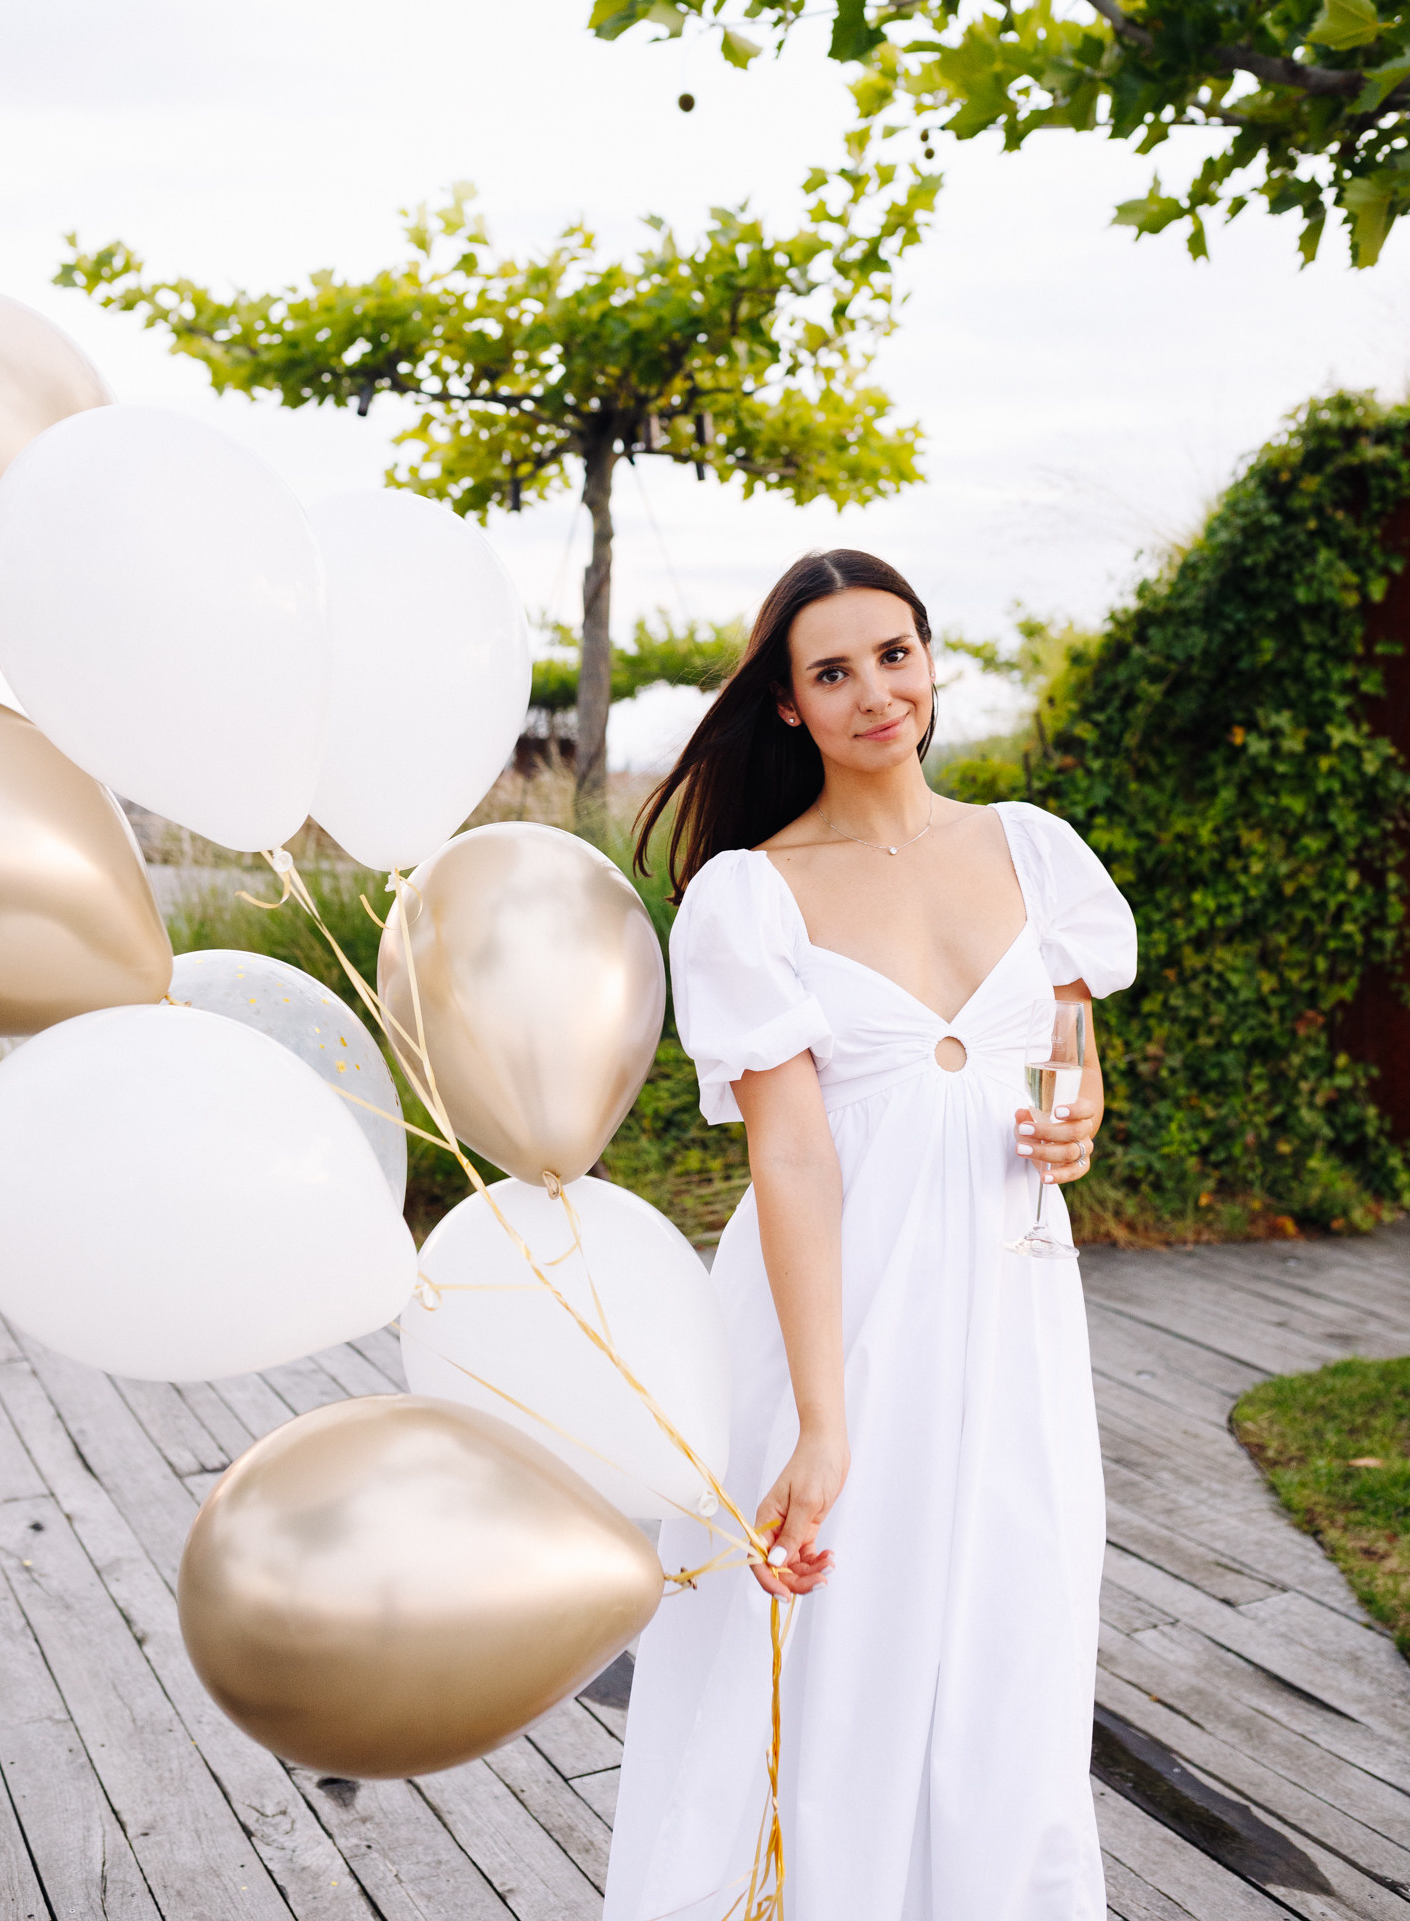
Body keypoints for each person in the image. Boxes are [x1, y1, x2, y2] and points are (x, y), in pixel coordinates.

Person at [605, 549, 1137, 1921]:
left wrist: (1076, 1118)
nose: (874, 693)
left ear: (930, 659)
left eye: (894, 655)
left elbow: (1065, 1052)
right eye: (832, 672)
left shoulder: (1034, 849)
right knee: (838, 1647)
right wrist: (821, 1423)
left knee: (1013, 1628)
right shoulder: (752, 893)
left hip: (1014, 1309)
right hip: (840, 1316)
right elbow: (790, 1154)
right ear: (788, 704)